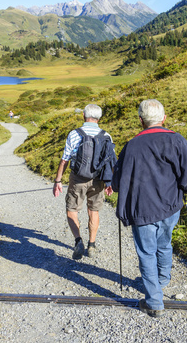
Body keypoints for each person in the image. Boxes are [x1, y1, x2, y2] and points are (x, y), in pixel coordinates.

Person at [112, 99, 187, 318]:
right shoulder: (177, 140)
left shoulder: (132, 145)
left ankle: (154, 301)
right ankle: (162, 280)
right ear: (164, 118)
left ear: (141, 120)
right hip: (170, 207)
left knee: (146, 253)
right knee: (165, 244)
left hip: (142, 210)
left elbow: (117, 180)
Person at [53, 104, 114, 260]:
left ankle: (78, 240)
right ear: (99, 118)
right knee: (94, 211)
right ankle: (91, 245)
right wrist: (110, 183)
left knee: (71, 208)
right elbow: (109, 161)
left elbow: (64, 159)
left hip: (78, 178)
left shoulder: (74, 134)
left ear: (84, 116)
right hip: (99, 180)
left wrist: (58, 180)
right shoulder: (106, 135)